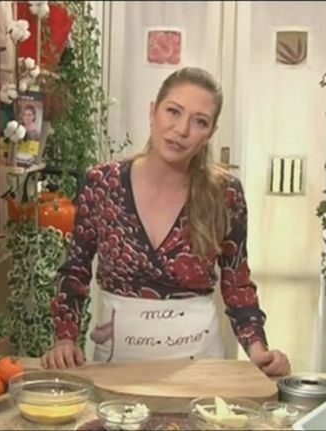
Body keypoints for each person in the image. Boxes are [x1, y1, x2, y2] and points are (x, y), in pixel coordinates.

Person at [41, 67, 291, 377]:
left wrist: (259, 351)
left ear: (211, 133)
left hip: (200, 370)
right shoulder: (102, 183)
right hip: (117, 367)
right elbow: (75, 269)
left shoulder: (225, 193)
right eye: (173, 111)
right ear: (153, 112)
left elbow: (236, 282)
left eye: (199, 121)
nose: (181, 129)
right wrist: (65, 339)